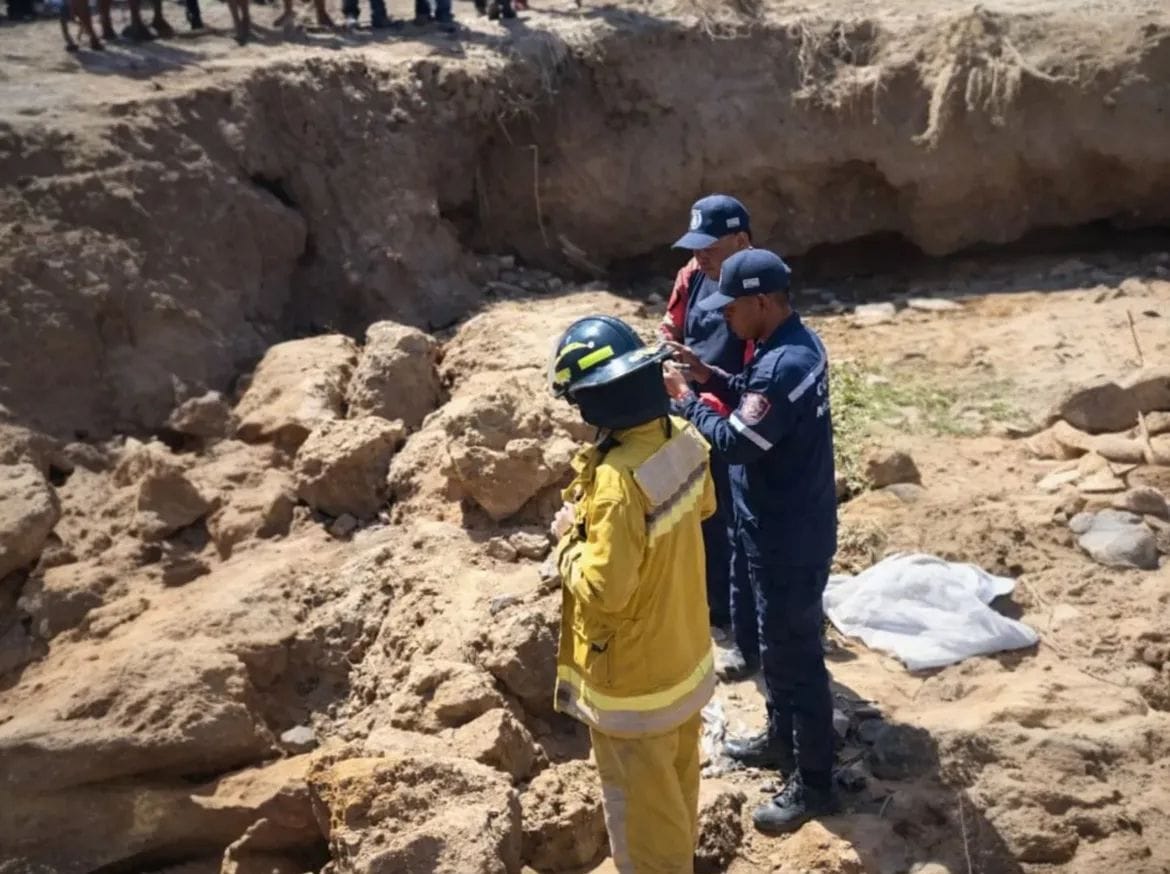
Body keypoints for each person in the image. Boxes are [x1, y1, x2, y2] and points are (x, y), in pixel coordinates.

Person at [664, 248, 839, 834]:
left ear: (762, 301)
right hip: (784, 522)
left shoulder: (782, 363)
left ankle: (815, 783)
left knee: (797, 658)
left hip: (788, 535)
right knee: (775, 646)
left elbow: (738, 441)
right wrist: (710, 376)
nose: (724, 318)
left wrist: (686, 400)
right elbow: (758, 397)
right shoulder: (791, 346)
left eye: (732, 307)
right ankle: (779, 739)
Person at [547, 315, 717, 872]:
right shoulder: (685, 438)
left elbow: (606, 589)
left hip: (635, 685)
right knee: (675, 790)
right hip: (684, 658)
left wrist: (569, 541)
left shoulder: (618, 479)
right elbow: (705, 507)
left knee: (642, 821)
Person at [663, 193, 757, 682]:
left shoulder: (760, 290)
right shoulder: (692, 275)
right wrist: (671, 357)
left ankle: (737, 625)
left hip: (732, 423)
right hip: (691, 410)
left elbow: (757, 373)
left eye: (710, 247)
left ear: (740, 241)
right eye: (695, 246)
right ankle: (710, 605)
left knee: (735, 524)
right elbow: (671, 323)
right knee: (698, 516)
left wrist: (705, 394)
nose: (700, 255)